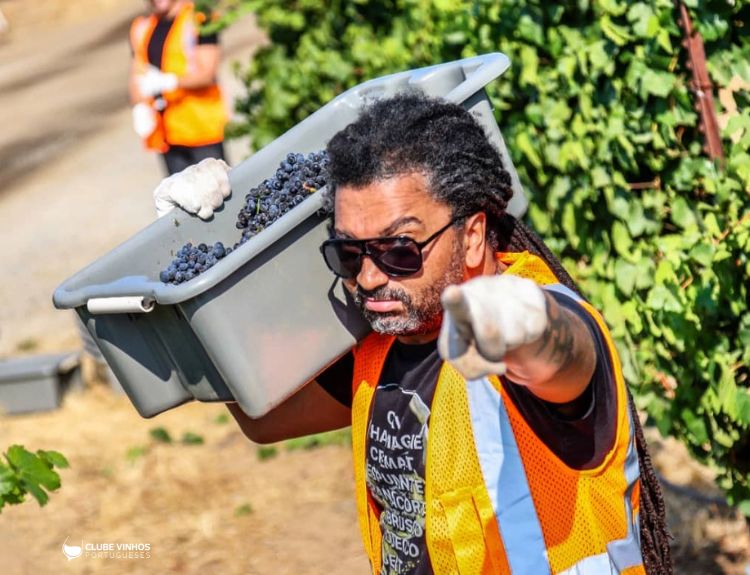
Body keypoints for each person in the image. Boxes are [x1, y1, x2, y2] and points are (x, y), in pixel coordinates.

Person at [154, 93, 673, 574]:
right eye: (348, 253)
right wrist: (201, 253)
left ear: (471, 237)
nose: (371, 276)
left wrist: (522, 325)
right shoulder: (383, 343)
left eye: (399, 249)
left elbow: (567, 358)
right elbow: (263, 422)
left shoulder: (538, 325)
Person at [129, 0, 227, 176]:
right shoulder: (142, 27)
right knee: (181, 199)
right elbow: (136, 75)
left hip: (202, 130)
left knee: (220, 194)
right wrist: (139, 107)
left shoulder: (199, 18)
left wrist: (169, 82)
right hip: (167, 135)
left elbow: (207, 73)